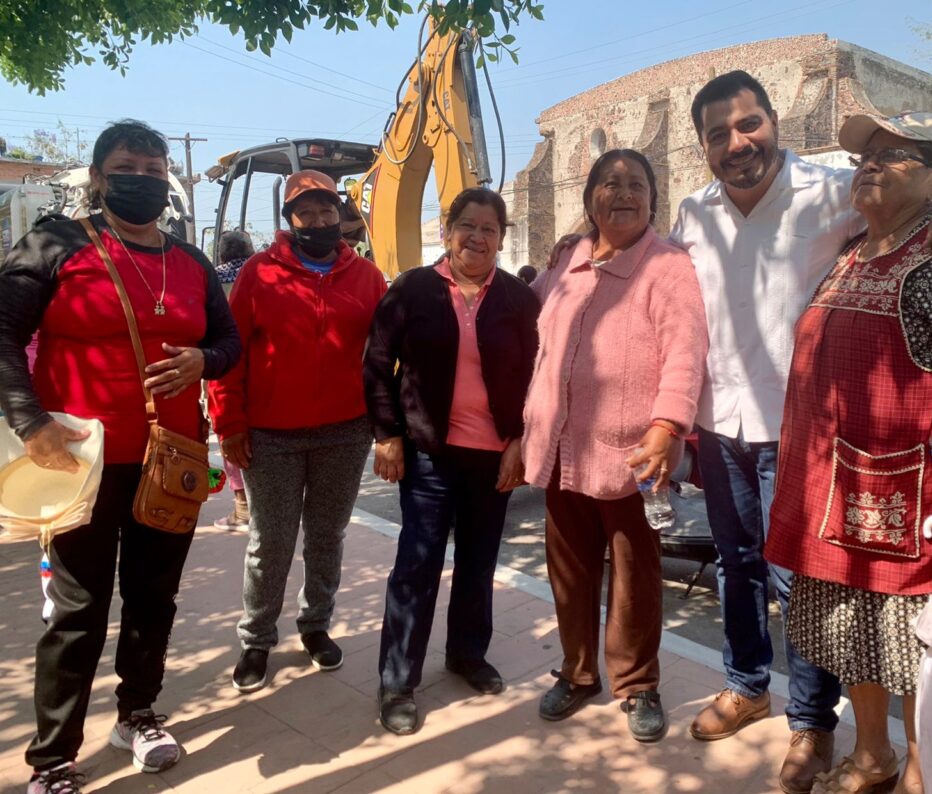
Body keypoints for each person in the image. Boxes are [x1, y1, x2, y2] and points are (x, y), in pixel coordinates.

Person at [669, 72, 932, 793]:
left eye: (748, 124)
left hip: (804, 432)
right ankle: (746, 684)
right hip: (721, 424)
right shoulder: (692, 213)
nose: (737, 143)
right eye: (718, 134)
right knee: (735, 565)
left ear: (772, 121)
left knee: (804, 582)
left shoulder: (831, 191)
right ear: (703, 147)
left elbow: (917, 200)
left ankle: (811, 723)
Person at [764, 113, 932, 794]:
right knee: (856, 634)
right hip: (838, 490)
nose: (871, 164)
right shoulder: (851, 249)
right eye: (866, 156)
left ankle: (920, 770)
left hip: (917, 497)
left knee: (918, 642)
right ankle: (871, 754)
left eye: (896, 155)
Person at [0, 119, 241, 794]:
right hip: (79, 465)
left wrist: (204, 360)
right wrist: (30, 422)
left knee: (154, 597)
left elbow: (228, 344)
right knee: (77, 609)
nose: (144, 179)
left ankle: (136, 715)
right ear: (100, 178)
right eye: (128, 168)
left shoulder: (190, 262)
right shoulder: (56, 243)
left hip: (171, 460)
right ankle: (53, 758)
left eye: (156, 170)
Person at [524, 149, 708, 743]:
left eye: (636, 184)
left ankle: (638, 684)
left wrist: (667, 425)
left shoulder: (667, 265)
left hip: (633, 455)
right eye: (609, 183)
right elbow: (532, 325)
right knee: (569, 573)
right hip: (562, 448)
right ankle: (578, 674)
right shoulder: (569, 261)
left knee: (634, 578)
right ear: (590, 199)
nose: (623, 193)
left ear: (653, 199)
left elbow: (685, 351)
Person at [364, 187, 540, 735]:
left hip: (494, 458)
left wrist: (520, 441)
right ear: (447, 230)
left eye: (490, 228)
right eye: (468, 225)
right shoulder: (414, 288)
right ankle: (397, 680)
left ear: (501, 239)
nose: (477, 237)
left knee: (478, 564)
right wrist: (388, 435)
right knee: (416, 566)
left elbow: (538, 376)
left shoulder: (518, 298)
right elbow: (376, 362)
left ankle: (467, 654)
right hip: (429, 457)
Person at [207, 170, 387, 694]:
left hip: (345, 432)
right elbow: (230, 353)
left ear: (339, 215)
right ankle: (257, 639)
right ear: (289, 220)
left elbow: (385, 355)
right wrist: (229, 423)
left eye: (326, 210)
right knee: (271, 542)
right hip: (271, 435)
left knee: (327, 536)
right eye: (305, 212)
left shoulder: (367, 277)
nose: (317, 219)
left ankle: (315, 625)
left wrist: (385, 425)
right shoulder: (260, 274)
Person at [212, 229, 255, 532]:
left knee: (229, 431)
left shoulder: (213, 279)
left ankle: (242, 506)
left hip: (223, 365)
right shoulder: (264, 274)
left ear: (222, 253)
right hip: (262, 369)